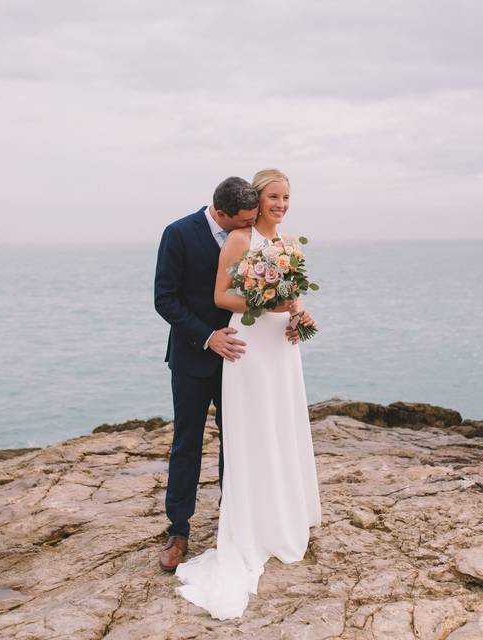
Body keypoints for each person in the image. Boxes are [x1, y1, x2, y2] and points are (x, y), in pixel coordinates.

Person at [173, 168, 322, 620]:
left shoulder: (290, 244)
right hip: (249, 344)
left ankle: (282, 516)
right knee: (249, 430)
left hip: (281, 346)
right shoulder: (241, 240)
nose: (281, 204)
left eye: (287, 197)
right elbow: (222, 296)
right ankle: (232, 527)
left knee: (282, 424)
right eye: (274, 197)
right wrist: (265, 302)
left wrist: (299, 313)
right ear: (258, 200)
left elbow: (292, 295)